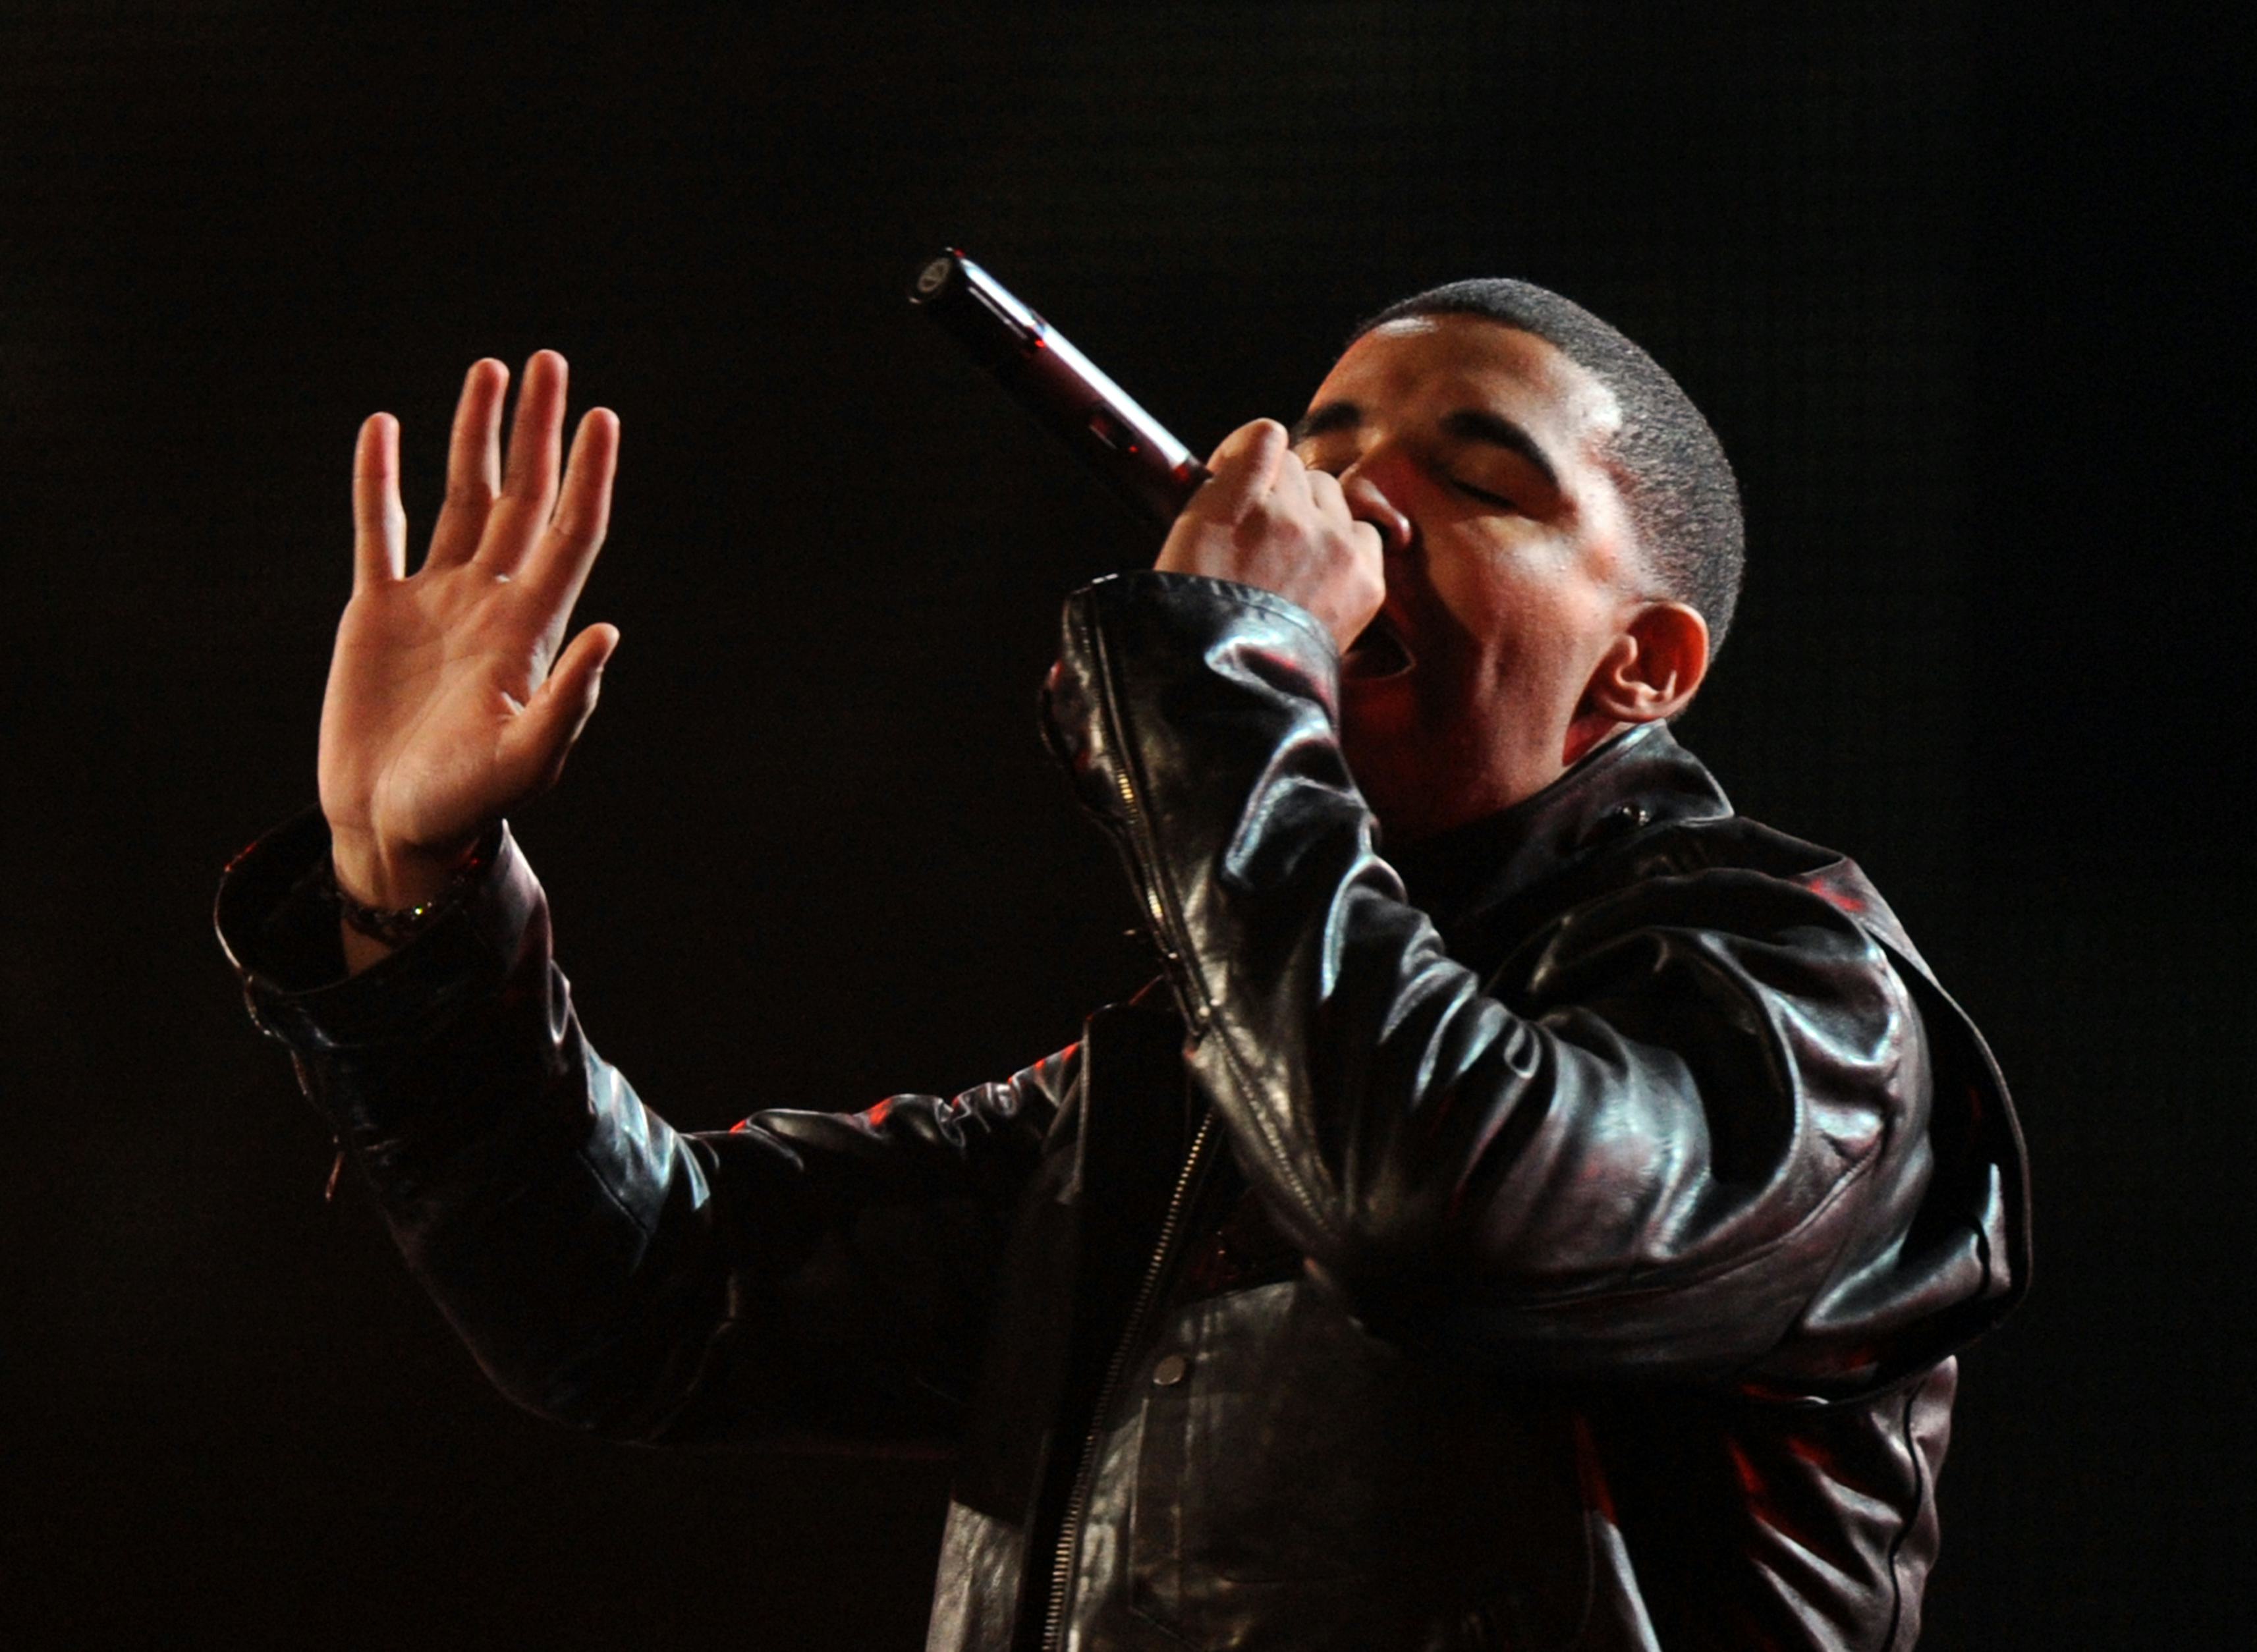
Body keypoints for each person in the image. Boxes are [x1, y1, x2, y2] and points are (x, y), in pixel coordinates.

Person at [217, 281, 2029, 1652]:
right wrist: (411, 884)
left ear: (1643, 664)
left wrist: (1221, 676)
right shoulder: (1185, 1082)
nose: (1350, 504)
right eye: (1321, 449)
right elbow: (644, 1300)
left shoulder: (1804, 1004)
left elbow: (1437, 1199)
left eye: (1478, 478)